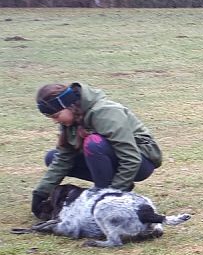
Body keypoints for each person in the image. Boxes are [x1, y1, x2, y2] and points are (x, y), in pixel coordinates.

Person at [31, 82, 163, 218]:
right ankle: (109, 190)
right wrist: (40, 194)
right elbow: (63, 159)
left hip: (141, 162)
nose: (55, 121)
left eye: (56, 115)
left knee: (93, 143)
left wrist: (108, 197)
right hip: (115, 159)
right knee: (52, 158)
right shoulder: (71, 120)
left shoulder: (105, 112)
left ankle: (105, 194)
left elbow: (131, 158)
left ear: (69, 105)